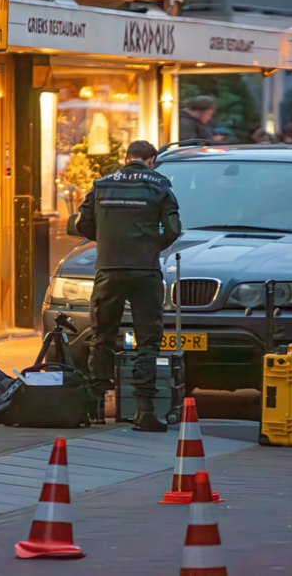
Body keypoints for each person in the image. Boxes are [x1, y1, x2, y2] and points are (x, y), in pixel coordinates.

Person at [76, 141, 182, 432]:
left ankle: (95, 409)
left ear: (126, 158)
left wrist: (108, 241)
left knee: (102, 336)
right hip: (145, 271)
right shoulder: (159, 185)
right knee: (148, 339)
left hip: (108, 269)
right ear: (151, 160)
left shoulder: (102, 184)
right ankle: (144, 411)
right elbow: (174, 228)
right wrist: (149, 247)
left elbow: (81, 224)